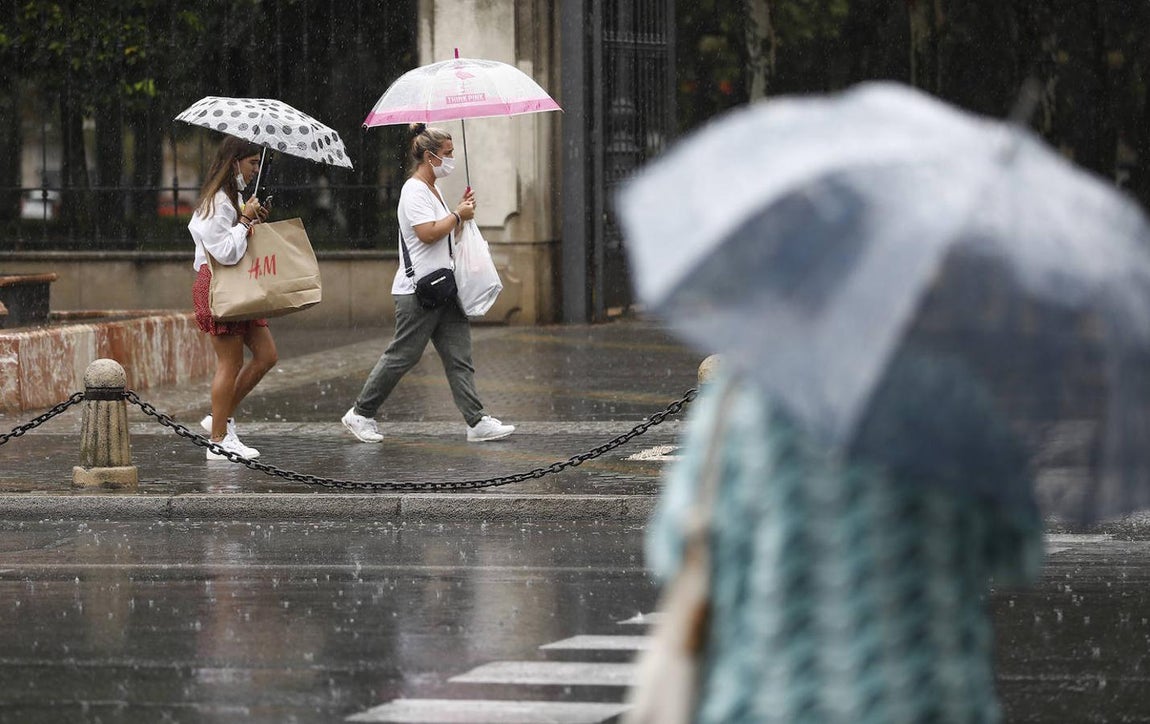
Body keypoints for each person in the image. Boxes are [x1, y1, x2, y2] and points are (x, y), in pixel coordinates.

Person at [633, 351, 1045, 724]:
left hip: (769, 700)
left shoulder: (743, 395)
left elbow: (673, 550)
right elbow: (1018, 553)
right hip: (925, 701)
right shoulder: (954, 395)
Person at [341, 123, 514, 444]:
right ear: (429, 156)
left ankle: (476, 421)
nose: (451, 160)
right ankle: (360, 413)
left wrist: (461, 216)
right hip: (418, 291)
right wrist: (458, 216)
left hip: (443, 287)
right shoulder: (414, 190)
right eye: (447, 154)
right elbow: (426, 232)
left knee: (459, 356)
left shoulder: (432, 189)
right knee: (402, 356)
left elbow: (443, 236)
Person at [187, 136, 276, 461]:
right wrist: (242, 221)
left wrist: (250, 218)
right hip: (220, 286)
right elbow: (223, 252)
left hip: (240, 285)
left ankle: (219, 419)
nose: (256, 169)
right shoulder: (218, 202)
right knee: (231, 362)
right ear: (235, 162)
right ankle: (218, 439)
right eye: (252, 162)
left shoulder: (234, 197)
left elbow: (235, 241)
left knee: (267, 355)